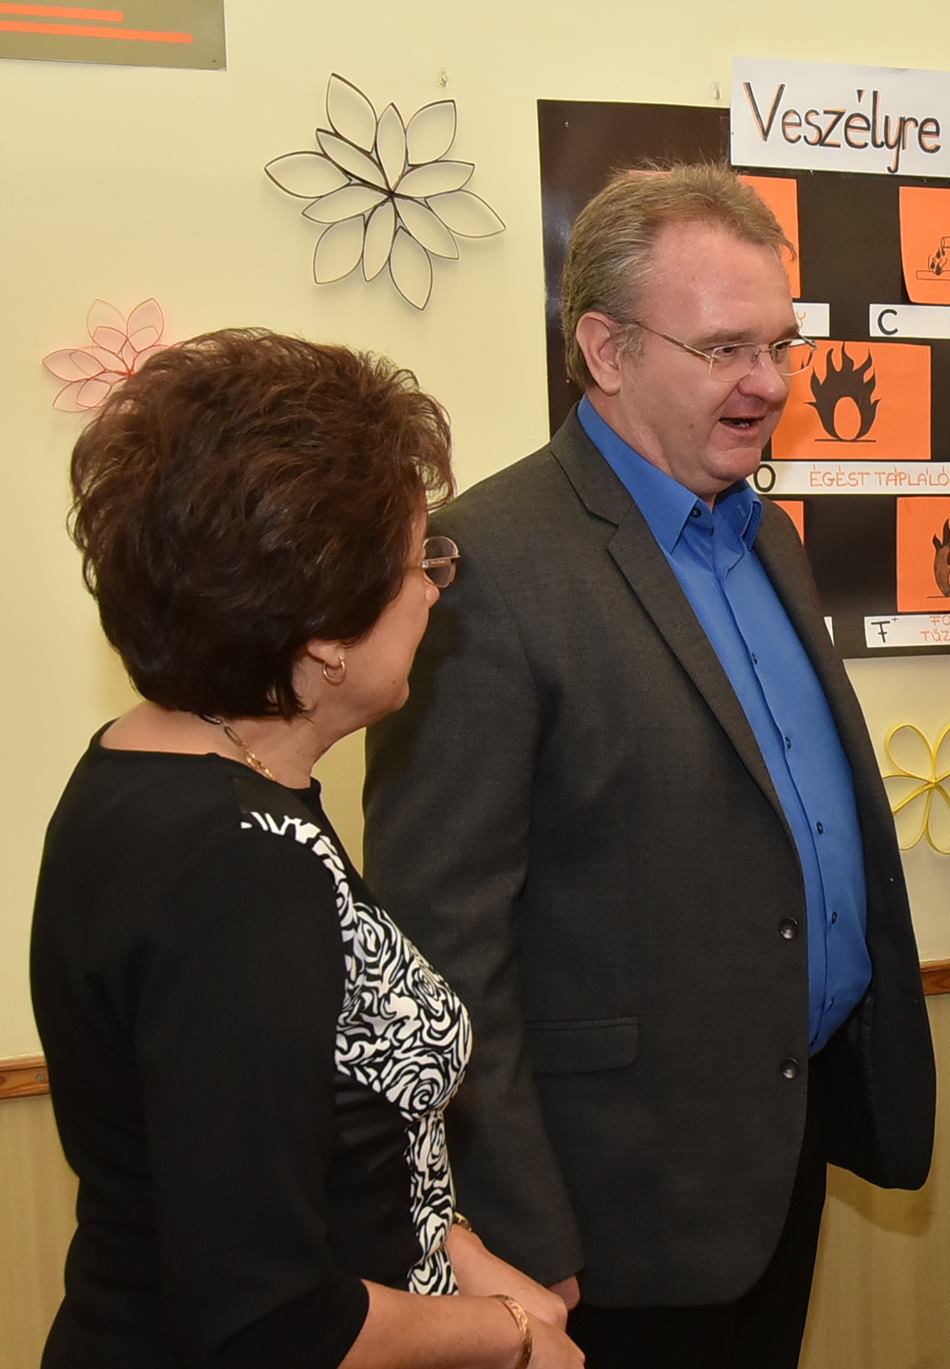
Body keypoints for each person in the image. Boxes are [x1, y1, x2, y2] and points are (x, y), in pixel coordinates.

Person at [364, 162, 936, 1369]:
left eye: (778, 346)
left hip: (775, 1152)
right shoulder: (485, 563)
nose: (767, 382)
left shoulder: (766, 535)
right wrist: (518, 1221)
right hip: (603, 1211)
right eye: (725, 348)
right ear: (607, 350)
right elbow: (441, 936)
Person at [32, 329, 581, 1369]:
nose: (435, 588)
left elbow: (324, 1150)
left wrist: (463, 1255)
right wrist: (509, 1337)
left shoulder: (158, 766)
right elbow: (266, 1316)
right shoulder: (236, 869)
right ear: (325, 632)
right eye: (418, 562)